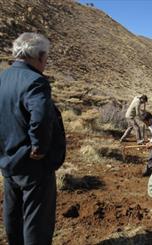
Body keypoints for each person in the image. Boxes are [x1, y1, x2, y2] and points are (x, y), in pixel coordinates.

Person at [0, 33, 66, 245]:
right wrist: (39, 147)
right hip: (33, 165)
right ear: (39, 56)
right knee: (36, 219)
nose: (45, 62)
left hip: (8, 160)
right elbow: (40, 118)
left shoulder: (3, 77)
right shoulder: (36, 81)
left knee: (13, 212)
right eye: (46, 57)